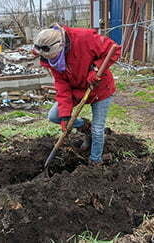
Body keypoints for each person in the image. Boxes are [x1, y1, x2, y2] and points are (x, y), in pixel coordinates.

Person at [33, 23, 121, 165]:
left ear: (61, 45)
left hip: (100, 88)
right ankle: (85, 127)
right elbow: (62, 86)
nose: (52, 61)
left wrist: (96, 69)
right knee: (55, 116)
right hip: (77, 90)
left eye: (53, 56)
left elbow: (114, 50)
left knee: (98, 130)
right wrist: (66, 115)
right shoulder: (51, 61)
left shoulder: (84, 38)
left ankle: (95, 161)